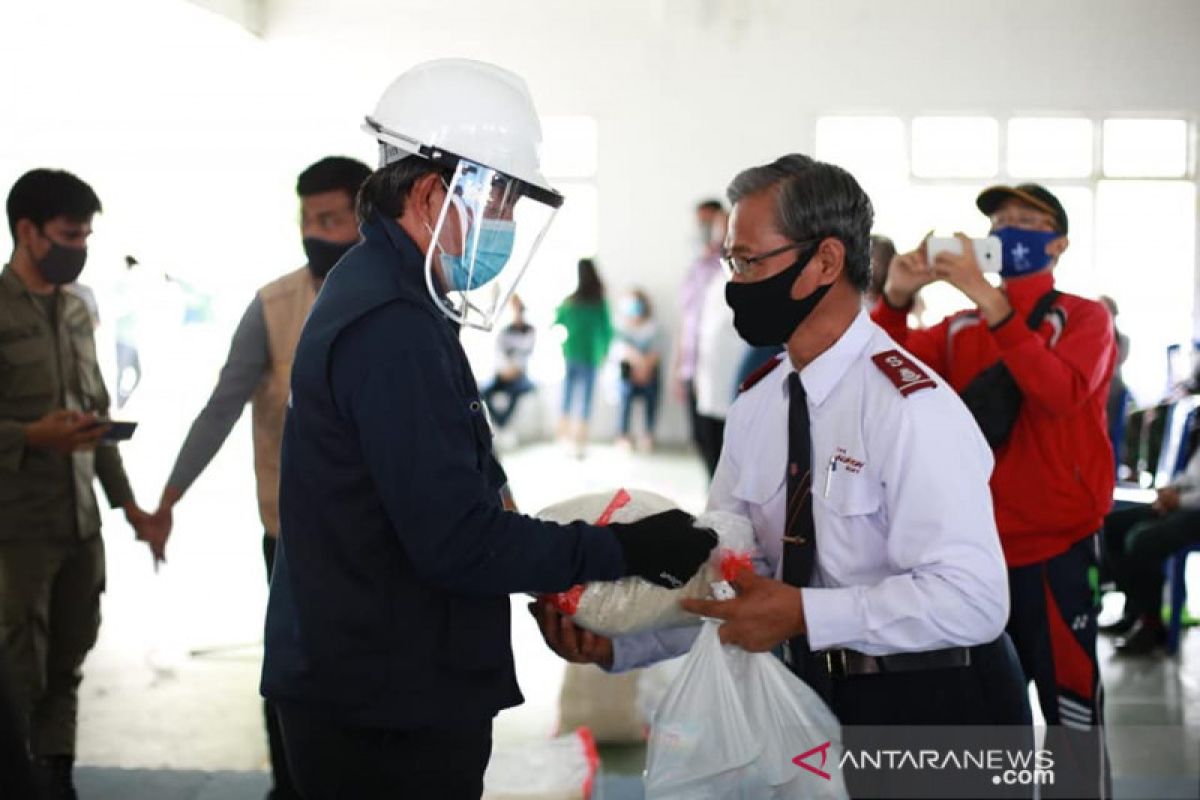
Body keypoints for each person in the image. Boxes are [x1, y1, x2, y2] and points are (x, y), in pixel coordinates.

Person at [259, 59, 716, 800]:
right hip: (382, 703)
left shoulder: (393, 292)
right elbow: (456, 542)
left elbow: (464, 484)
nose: (503, 223)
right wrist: (621, 549)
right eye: (499, 200)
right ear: (436, 191)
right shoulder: (390, 325)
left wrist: (543, 562)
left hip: (381, 673)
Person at [533, 154, 1028, 795]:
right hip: (805, 700)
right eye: (729, 263)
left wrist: (806, 614)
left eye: (747, 262)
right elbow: (731, 580)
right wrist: (619, 647)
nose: (735, 282)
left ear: (824, 261)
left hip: (935, 706)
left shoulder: (910, 408)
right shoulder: (759, 405)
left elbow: (974, 600)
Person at [873, 183, 1115, 797]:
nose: (1009, 230)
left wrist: (993, 305)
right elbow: (881, 372)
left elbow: (1059, 393)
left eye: (1026, 220)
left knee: (1071, 721)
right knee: (983, 723)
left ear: (1057, 243)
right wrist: (898, 296)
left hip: (1058, 552)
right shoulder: (959, 331)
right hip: (973, 557)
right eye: (999, 221)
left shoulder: (1083, 318)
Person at [147, 156, 370, 800]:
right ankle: (290, 787)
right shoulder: (273, 307)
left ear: (365, 217)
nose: (315, 232)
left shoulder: (410, 303)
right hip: (293, 534)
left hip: (382, 535)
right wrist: (168, 497)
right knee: (295, 674)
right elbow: (222, 406)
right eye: (307, 219)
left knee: (368, 677)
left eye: (331, 218)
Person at [0, 168, 158, 799]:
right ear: (28, 232)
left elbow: (93, 424)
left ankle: (54, 780)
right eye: (69, 234)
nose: (80, 247)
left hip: (79, 527)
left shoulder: (75, 310)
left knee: (67, 665)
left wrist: (132, 510)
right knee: (18, 672)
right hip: (17, 532)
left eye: (87, 235)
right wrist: (31, 437)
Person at [1100, 444, 1200, 654]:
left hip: (1194, 509)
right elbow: (1194, 473)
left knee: (1143, 541)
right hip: (1185, 503)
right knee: (1110, 526)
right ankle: (1136, 610)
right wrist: (1171, 490)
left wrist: (1180, 500)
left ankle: (1151, 625)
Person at [671, 199, 728, 477]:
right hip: (693, 367)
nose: (704, 229)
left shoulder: (728, 267)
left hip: (720, 369)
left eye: (710, 223)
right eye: (700, 223)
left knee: (721, 439)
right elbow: (687, 322)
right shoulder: (696, 268)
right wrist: (679, 369)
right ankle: (712, 489)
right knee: (700, 435)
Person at [554, 258, 612, 457]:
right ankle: (579, 443)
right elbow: (607, 330)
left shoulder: (571, 302)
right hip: (589, 355)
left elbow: (556, 321)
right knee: (584, 399)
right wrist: (604, 352)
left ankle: (565, 440)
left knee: (567, 397)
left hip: (572, 353)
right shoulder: (598, 302)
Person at [480, 293, 536, 442]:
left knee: (517, 392)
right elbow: (499, 356)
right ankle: (499, 423)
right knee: (482, 392)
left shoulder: (530, 331)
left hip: (520, 376)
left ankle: (502, 425)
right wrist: (505, 371)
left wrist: (514, 370)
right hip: (502, 374)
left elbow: (525, 356)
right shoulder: (504, 332)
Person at [613, 288, 662, 451]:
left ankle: (648, 435)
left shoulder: (652, 327)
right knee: (624, 395)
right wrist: (637, 364)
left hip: (649, 374)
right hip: (629, 374)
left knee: (652, 394)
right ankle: (623, 435)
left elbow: (655, 353)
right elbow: (622, 351)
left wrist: (643, 368)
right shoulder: (621, 327)